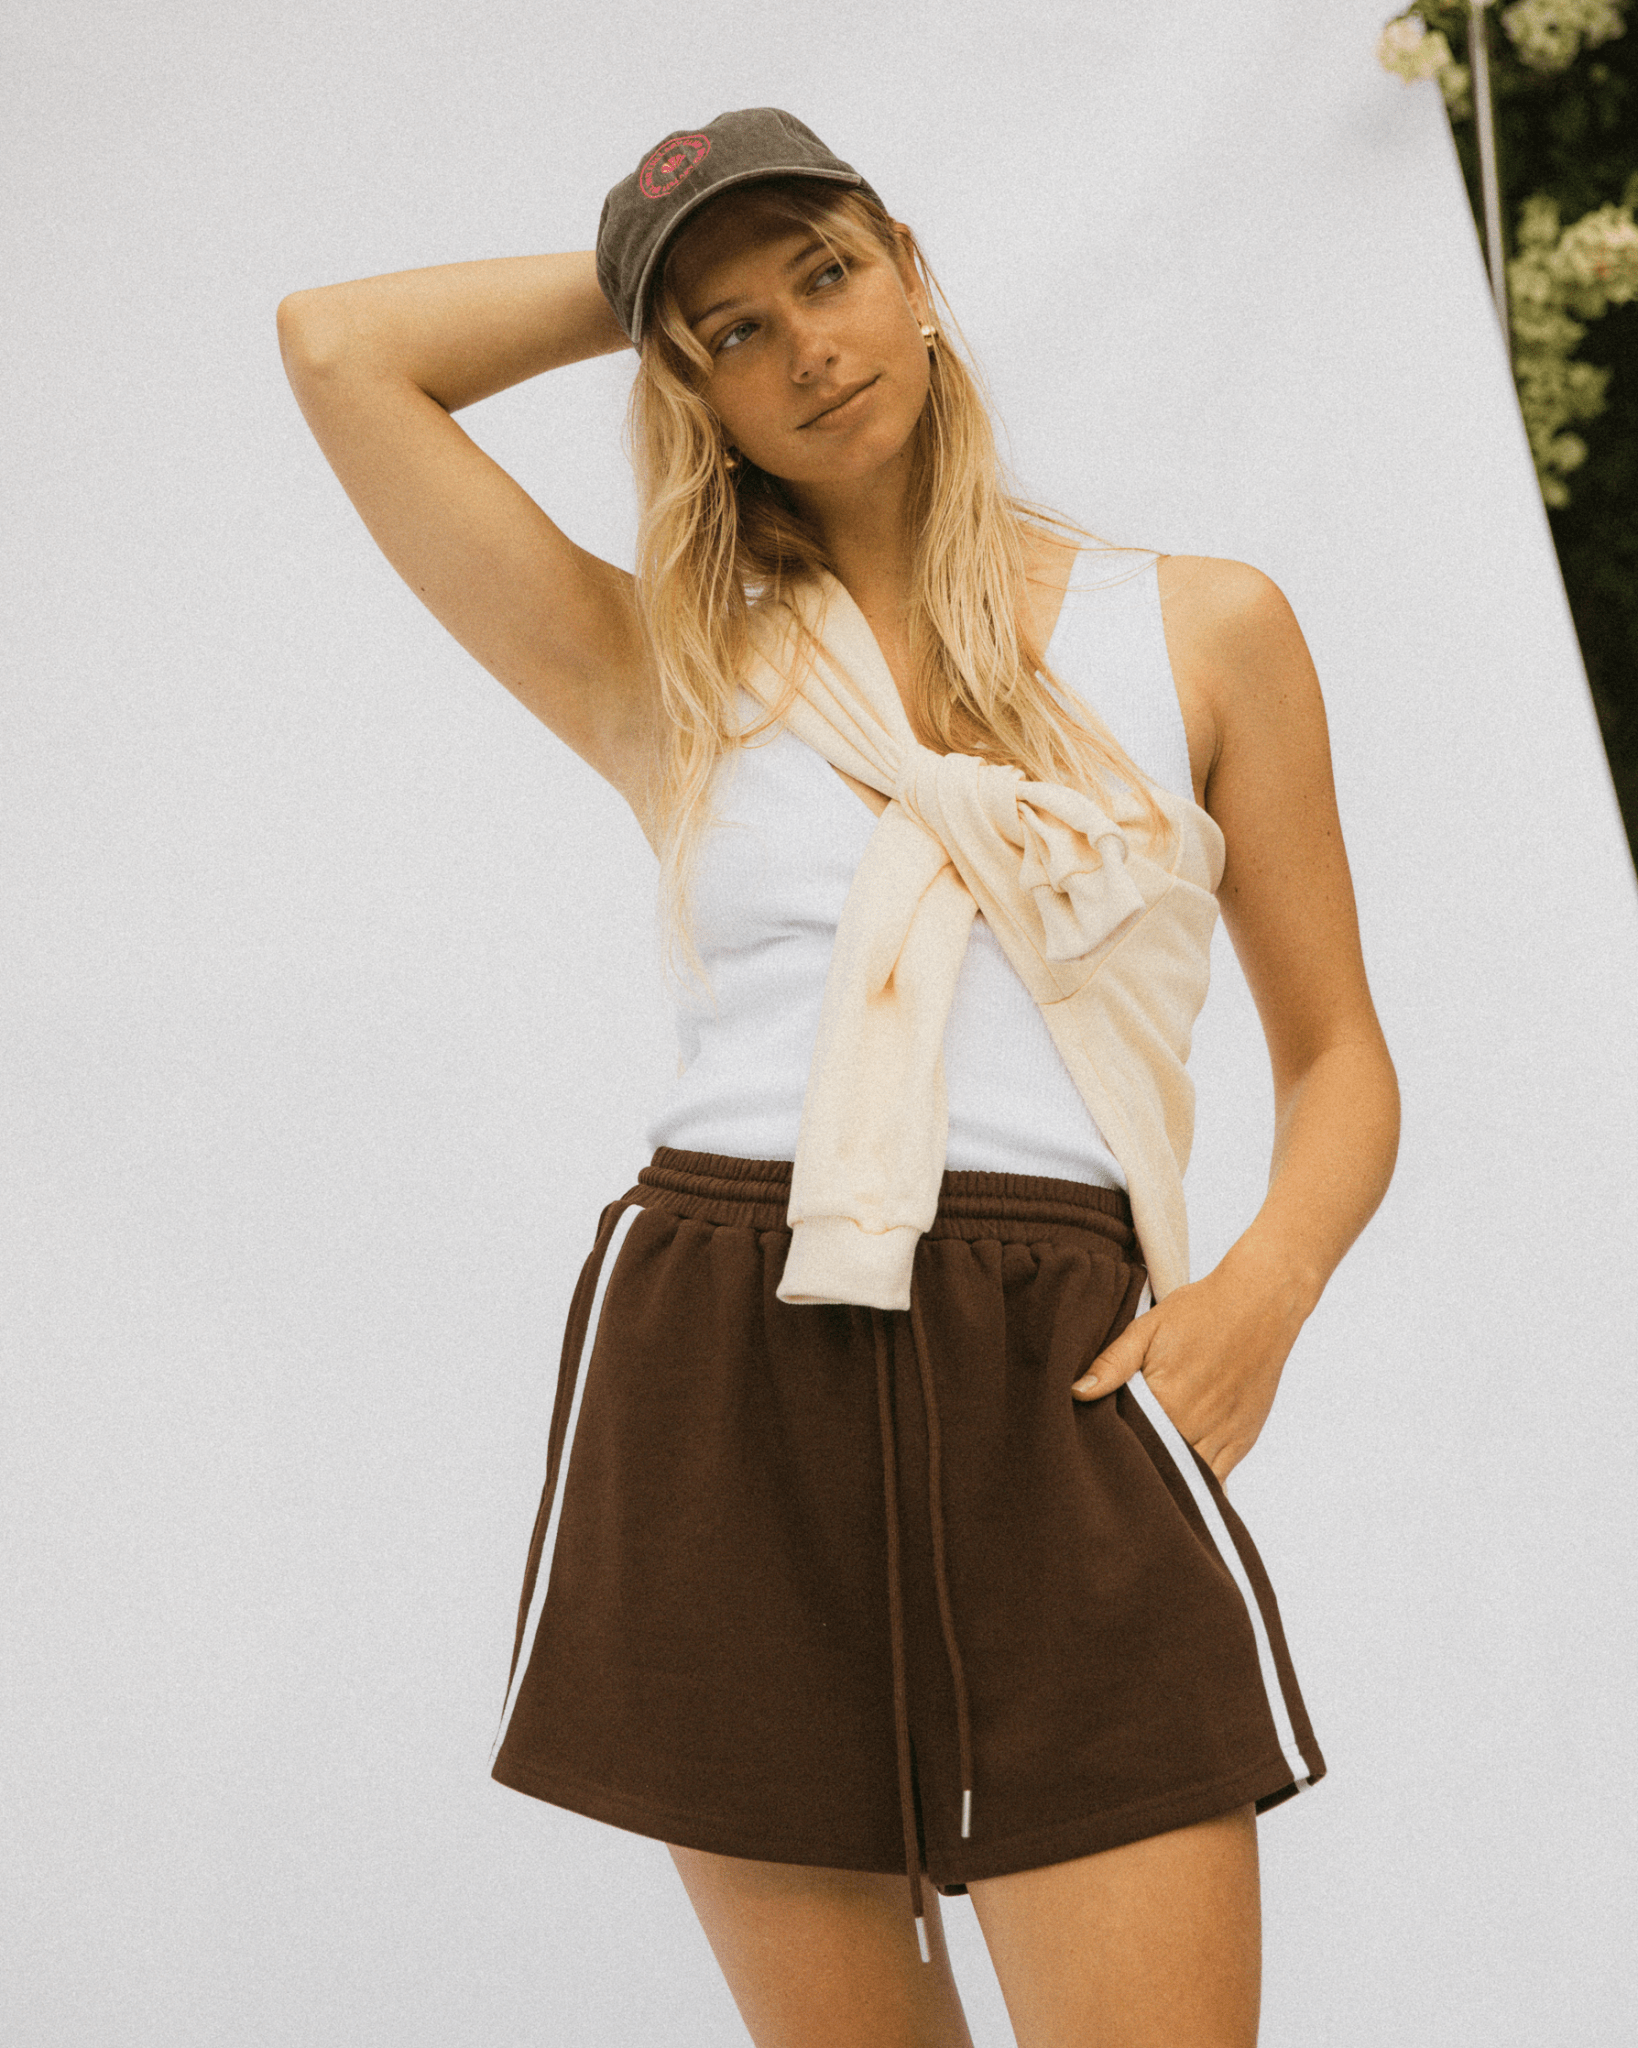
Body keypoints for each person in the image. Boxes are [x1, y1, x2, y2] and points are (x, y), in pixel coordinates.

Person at [277, 107, 1400, 2048]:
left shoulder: (1200, 627)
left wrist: (1261, 1296)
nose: (805, 346)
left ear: (914, 273)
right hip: (728, 1357)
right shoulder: (663, 670)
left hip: (1060, 1362)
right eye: (734, 332)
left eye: (828, 274)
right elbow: (337, 347)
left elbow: (1341, 1057)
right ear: (688, 390)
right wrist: (641, 282)